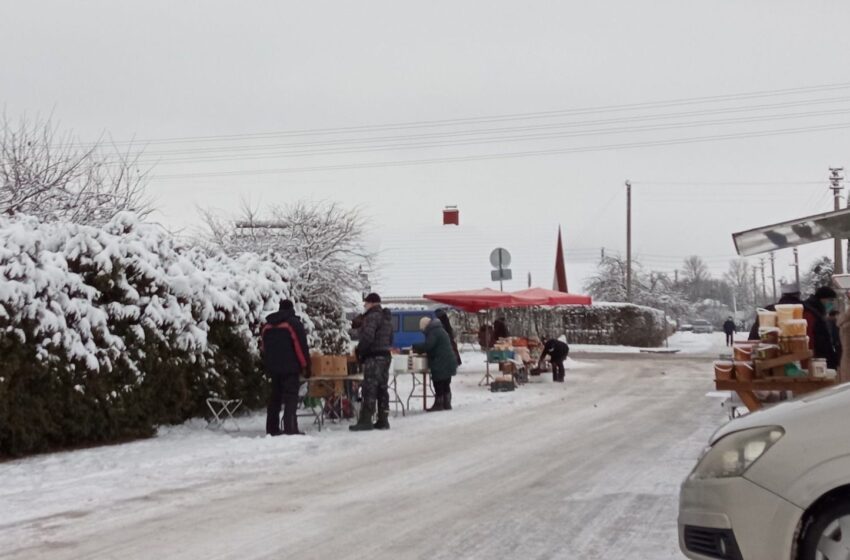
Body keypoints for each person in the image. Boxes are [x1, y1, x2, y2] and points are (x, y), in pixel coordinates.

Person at [261, 299, 310, 436]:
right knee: (290, 398)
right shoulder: (293, 324)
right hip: (290, 368)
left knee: (274, 398)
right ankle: (290, 428)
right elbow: (300, 347)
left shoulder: (267, 325)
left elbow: (264, 348)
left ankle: (272, 428)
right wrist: (305, 365)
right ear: (292, 309)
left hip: (273, 368)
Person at [350, 293, 394, 431]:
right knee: (382, 388)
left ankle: (366, 420)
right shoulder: (386, 318)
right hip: (385, 356)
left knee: (370, 387)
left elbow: (368, 336)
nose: (364, 305)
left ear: (372, 303)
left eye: (366, 303)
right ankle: (383, 419)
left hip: (373, 357)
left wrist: (360, 350)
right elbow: (391, 339)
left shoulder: (372, 317)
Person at [413, 316, 458, 411]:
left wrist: (415, 347)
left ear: (425, 326)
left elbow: (428, 346)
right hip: (449, 360)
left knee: (438, 382)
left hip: (440, 361)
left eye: (422, 330)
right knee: (446, 383)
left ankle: (439, 404)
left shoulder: (433, 332)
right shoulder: (440, 330)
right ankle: (447, 403)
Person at [804, 286, 839, 370]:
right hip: (817, 360)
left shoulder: (817, 312)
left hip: (820, 360)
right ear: (822, 299)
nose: (832, 303)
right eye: (830, 300)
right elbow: (818, 340)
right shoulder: (812, 313)